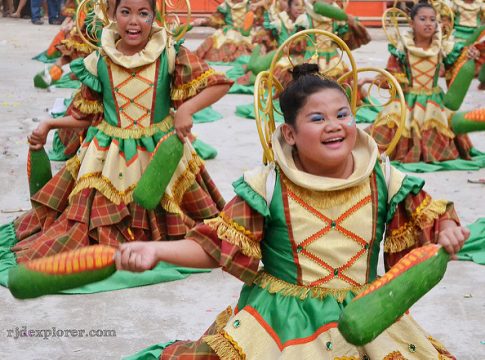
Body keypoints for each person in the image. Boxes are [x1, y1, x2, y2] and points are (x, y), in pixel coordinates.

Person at [117, 64, 468, 359]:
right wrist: (156, 250)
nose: (334, 124)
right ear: (290, 133)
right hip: (281, 325)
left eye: (342, 114)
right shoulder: (266, 186)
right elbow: (215, 248)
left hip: (368, 317)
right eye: (318, 118)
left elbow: (433, 217)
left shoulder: (385, 177)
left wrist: (448, 229)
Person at [0, 0, 233, 264]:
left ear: (154, 17)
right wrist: (49, 124)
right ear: (112, 14)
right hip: (106, 156)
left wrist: (186, 109)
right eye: (126, 12)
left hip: (160, 152)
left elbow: (219, 84)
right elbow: (86, 115)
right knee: (88, 227)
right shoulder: (99, 59)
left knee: (196, 228)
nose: (134, 21)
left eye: (143, 13)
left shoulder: (169, 53)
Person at [365, 2, 481, 164]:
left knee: (439, 129)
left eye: (433, 20)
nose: (428, 23)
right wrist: (371, 80)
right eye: (423, 19)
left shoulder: (443, 47)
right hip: (407, 101)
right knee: (395, 128)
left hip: (435, 102)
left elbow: (456, 69)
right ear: (412, 23)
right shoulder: (402, 50)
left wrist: (468, 57)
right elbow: (391, 78)